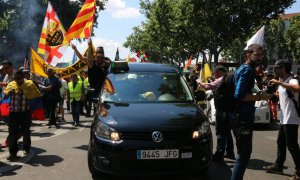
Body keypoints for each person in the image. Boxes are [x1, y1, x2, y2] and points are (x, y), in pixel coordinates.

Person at [231, 44, 272, 180]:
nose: (260, 58)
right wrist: (261, 97)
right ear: (248, 54)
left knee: (242, 155)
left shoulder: (243, 69)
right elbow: (239, 95)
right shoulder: (247, 70)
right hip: (242, 117)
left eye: (261, 55)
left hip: (240, 116)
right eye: (257, 55)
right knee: (243, 156)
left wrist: (256, 93)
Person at [264, 59, 300, 180]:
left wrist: (279, 83)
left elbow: (296, 88)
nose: (275, 70)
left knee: (292, 146)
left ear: (283, 68)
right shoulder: (283, 81)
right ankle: (278, 166)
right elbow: (282, 95)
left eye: (277, 68)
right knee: (281, 143)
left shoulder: (292, 79)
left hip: (292, 119)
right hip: (284, 119)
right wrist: (271, 94)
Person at [197, 65, 235, 162]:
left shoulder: (222, 79)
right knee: (227, 132)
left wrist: (200, 82)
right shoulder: (229, 79)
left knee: (220, 133)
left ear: (220, 72)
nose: (215, 75)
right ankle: (230, 152)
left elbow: (207, 86)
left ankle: (219, 154)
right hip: (228, 110)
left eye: (216, 73)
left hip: (222, 111)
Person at [3, 70, 42, 161]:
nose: (16, 80)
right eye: (15, 78)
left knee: (26, 132)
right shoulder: (11, 84)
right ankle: (13, 153)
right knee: (12, 134)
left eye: (18, 78)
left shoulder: (30, 84)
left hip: (25, 113)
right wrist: (8, 94)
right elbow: (4, 98)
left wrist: (33, 111)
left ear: (23, 77)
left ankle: (26, 148)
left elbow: (38, 97)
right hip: (13, 114)